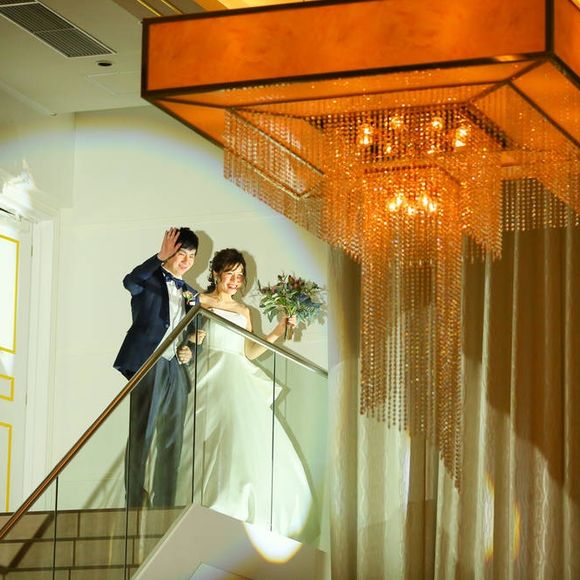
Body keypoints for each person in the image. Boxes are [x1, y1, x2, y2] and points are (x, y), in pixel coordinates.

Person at [193, 248, 317, 540]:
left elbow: (249, 350)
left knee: (240, 434)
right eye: (230, 274)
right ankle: (208, 501)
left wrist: (278, 330)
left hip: (236, 372)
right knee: (212, 433)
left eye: (240, 276)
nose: (235, 281)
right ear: (216, 274)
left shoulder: (244, 311)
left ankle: (238, 505)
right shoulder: (200, 300)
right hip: (209, 369)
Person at [114, 227, 202, 508]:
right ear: (170, 252)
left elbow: (195, 335)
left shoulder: (192, 295)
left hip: (175, 368)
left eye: (192, 256)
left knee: (172, 438)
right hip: (148, 363)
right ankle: (134, 501)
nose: (186, 260)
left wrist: (190, 350)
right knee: (143, 433)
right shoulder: (149, 279)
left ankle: (163, 502)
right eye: (181, 253)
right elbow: (129, 281)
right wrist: (158, 257)